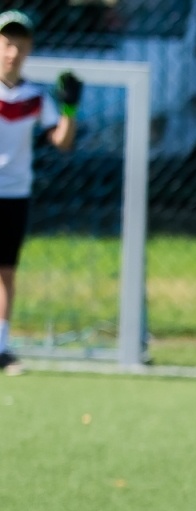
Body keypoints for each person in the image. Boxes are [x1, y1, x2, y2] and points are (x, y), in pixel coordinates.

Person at [0, 11, 78, 376]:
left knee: (5, 272)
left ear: (29, 48)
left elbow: (61, 141)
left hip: (14, 194)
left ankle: (0, 347)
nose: (12, 51)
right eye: (6, 43)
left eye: (19, 43)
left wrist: (70, 107)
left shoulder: (34, 97)